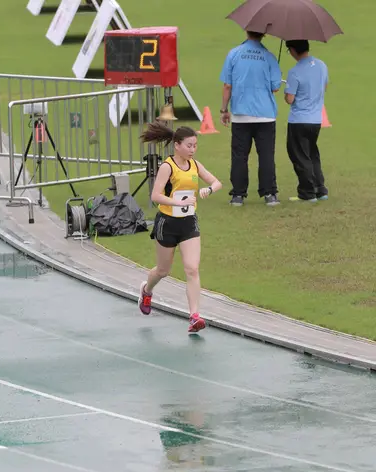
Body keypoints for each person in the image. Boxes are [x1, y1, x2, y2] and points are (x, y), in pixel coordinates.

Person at [138, 121, 222, 333]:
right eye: (189, 146)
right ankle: (147, 290)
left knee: (192, 269)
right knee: (163, 270)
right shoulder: (168, 167)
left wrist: (208, 190)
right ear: (177, 145)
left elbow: (216, 182)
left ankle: (194, 316)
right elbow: (155, 196)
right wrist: (177, 202)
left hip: (189, 223)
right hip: (167, 223)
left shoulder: (195, 165)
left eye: (195, 146)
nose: (193, 150)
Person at [219, 31, 282, 207]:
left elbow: (227, 85)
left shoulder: (234, 53)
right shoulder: (269, 56)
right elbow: (275, 87)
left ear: (246, 31)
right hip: (265, 115)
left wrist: (224, 109)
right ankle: (270, 194)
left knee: (239, 156)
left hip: (240, 115)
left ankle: (238, 195)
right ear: (264, 34)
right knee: (266, 155)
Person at [284, 39, 329, 202]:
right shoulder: (321, 65)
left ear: (294, 50)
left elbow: (290, 99)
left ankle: (307, 192)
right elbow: (324, 87)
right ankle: (320, 189)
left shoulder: (295, 71)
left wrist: (286, 91)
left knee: (299, 155)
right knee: (312, 154)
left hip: (299, 120)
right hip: (316, 119)